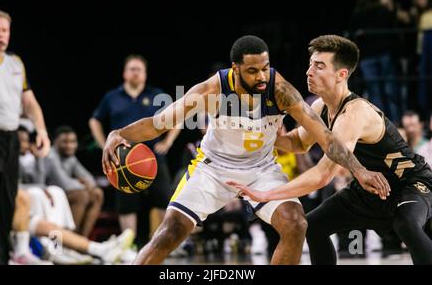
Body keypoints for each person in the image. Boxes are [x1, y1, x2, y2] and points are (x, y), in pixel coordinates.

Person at [102, 35, 389, 265]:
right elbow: (158, 124)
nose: (262, 76)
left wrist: (359, 169)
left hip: (261, 168)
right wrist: (119, 134)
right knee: (169, 233)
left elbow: (326, 138)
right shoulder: (211, 90)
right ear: (235, 69)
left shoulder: (281, 91)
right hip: (213, 168)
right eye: (252, 71)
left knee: (296, 224)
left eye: (265, 68)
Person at [228, 35, 432, 264]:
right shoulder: (320, 106)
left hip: (410, 183)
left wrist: (266, 195)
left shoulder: (355, 114)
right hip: (370, 188)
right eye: (310, 64)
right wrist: (272, 137)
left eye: (319, 66)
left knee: (406, 223)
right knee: (312, 227)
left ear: (341, 75)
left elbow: (323, 174)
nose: (309, 71)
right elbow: (299, 143)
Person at [0, 9, 50, 264]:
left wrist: (41, 130)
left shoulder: (15, 63)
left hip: (10, 139)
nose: (1, 35)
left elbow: (29, 102)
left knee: (7, 204)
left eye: (5, 30)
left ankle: (0, 258)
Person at [89, 54, 179, 243]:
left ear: (145, 74)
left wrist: (168, 142)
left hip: (153, 157)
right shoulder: (112, 97)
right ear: (124, 73)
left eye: (139, 69)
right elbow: (94, 120)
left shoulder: (156, 95)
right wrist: (103, 144)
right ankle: (127, 245)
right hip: (121, 159)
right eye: (132, 68)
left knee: (163, 199)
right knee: (126, 205)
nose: (135, 72)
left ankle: (160, 243)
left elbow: (177, 118)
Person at [45, 126, 103, 237]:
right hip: (48, 195)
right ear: (55, 142)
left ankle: (83, 240)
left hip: (64, 194)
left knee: (97, 194)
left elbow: (89, 179)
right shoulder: (51, 156)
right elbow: (63, 184)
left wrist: (86, 184)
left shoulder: (70, 157)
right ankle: (71, 240)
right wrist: (81, 184)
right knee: (81, 195)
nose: (69, 145)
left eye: (72, 142)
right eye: (65, 142)